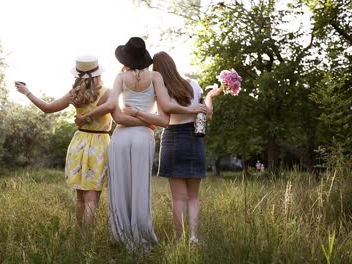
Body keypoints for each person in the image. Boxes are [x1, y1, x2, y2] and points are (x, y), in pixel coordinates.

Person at [76, 37, 206, 252]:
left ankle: (120, 237)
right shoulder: (155, 76)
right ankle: (141, 236)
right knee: (139, 189)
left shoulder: (120, 77)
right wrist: (147, 120)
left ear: (126, 58)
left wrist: (89, 116)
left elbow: (114, 111)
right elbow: (164, 117)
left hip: (120, 138)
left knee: (120, 189)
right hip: (143, 137)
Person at [124, 51, 222, 243]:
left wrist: (136, 112)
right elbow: (207, 114)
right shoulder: (193, 84)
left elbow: (166, 112)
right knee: (193, 197)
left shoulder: (161, 88)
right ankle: (193, 238)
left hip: (174, 139)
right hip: (195, 139)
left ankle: (180, 238)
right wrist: (210, 95)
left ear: (157, 69)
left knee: (178, 198)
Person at [14, 55, 112, 227]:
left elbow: (47, 108)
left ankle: (80, 236)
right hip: (98, 145)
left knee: (81, 197)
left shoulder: (75, 94)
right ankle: (88, 240)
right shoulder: (107, 93)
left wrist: (27, 92)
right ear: (97, 73)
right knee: (91, 197)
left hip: (79, 143)